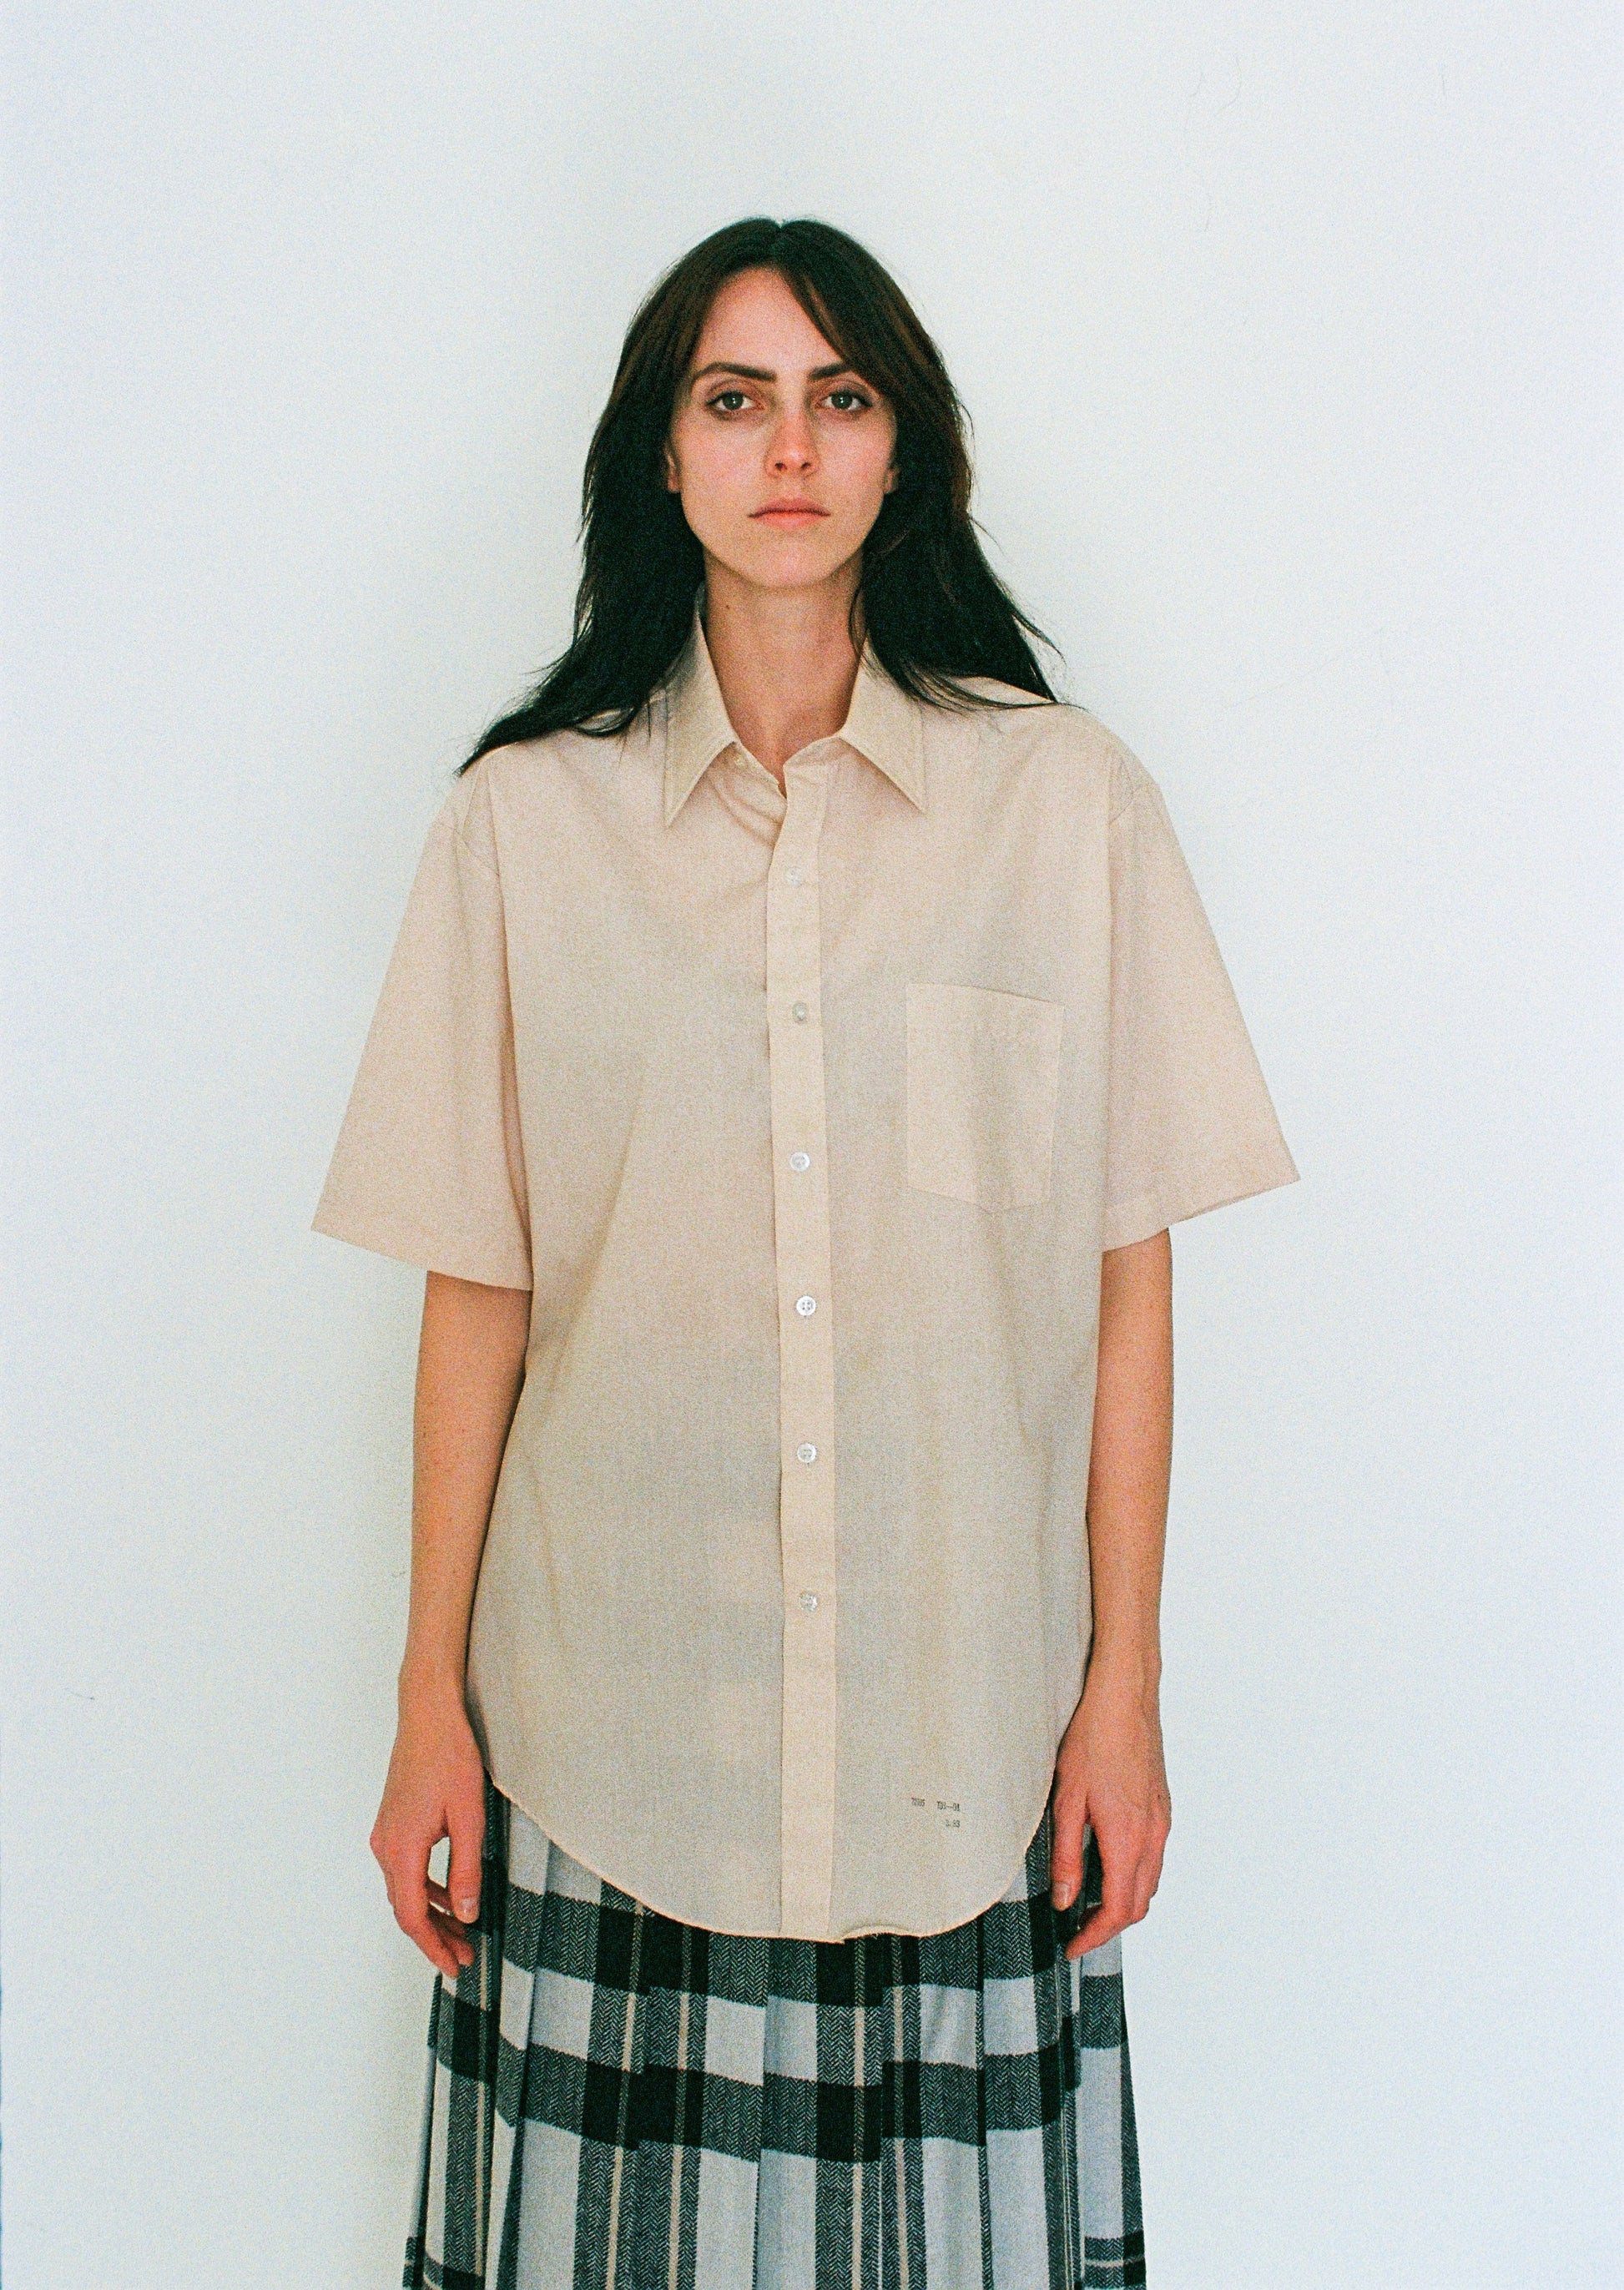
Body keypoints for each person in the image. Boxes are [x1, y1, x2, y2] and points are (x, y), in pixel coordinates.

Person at [310, 214, 1299, 2290]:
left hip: (966, 1744)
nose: (789, 447)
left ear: (904, 454)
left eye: (840, 398)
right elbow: (476, 1293)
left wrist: (1123, 1689)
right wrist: (429, 1696)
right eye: (734, 396)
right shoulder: (520, 830)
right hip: (610, 1737)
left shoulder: (1066, 811)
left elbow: (1123, 1281)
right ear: (658, 459)